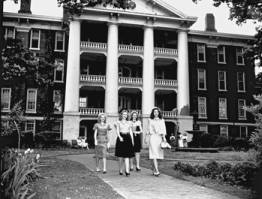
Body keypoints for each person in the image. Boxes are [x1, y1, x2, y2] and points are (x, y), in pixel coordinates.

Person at [144, 107, 167, 176]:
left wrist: (164, 137)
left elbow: (163, 129)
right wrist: (146, 137)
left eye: (157, 112)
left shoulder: (162, 120)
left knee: (157, 154)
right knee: (153, 153)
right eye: (154, 112)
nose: (156, 113)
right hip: (153, 137)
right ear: (153, 113)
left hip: (159, 137)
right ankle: (157, 170)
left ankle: (154, 170)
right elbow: (148, 129)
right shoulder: (150, 120)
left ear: (159, 113)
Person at [115, 109, 135, 177]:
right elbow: (117, 131)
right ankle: (120, 169)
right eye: (123, 114)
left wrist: (132, 141)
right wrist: (119, 137)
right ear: (121, 115)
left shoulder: (129, 123)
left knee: (127, 155)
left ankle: (127, 171)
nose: (124, 116)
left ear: (127, 115)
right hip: (121, 137)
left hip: (127, 138)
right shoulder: (118, 122)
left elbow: (131, 132)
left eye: (126, 114)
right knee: (120, 156)